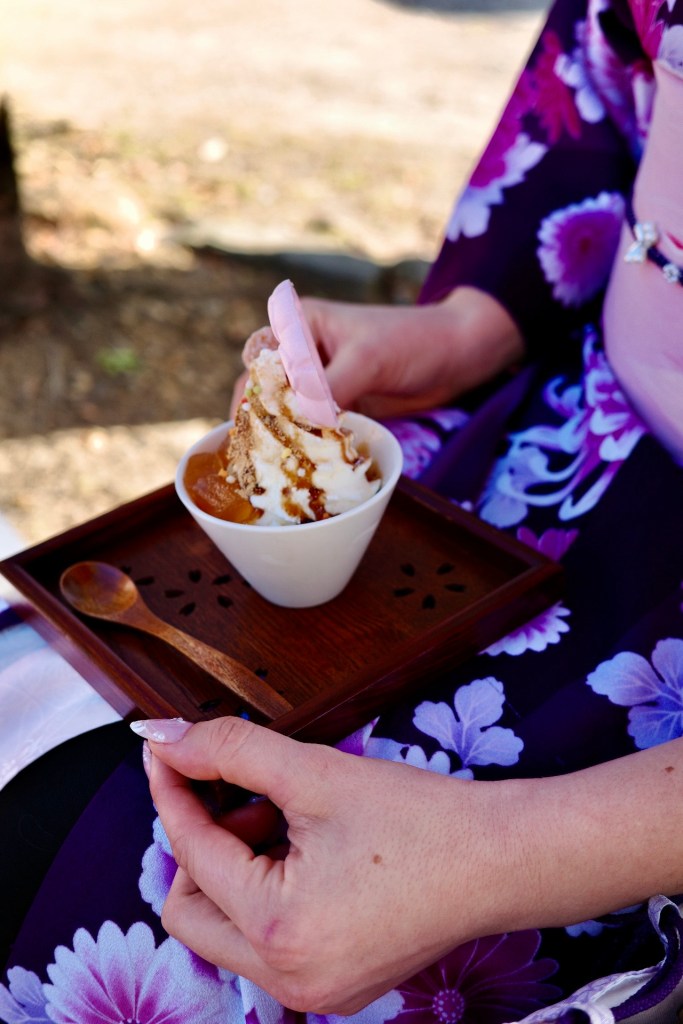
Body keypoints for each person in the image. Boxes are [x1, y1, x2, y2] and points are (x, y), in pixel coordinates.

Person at [2, 0, 683, 1021]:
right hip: (553, 450)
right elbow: (601, 79)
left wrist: (500, 855)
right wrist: (464, 328)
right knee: (63, 762)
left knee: (163, 910)